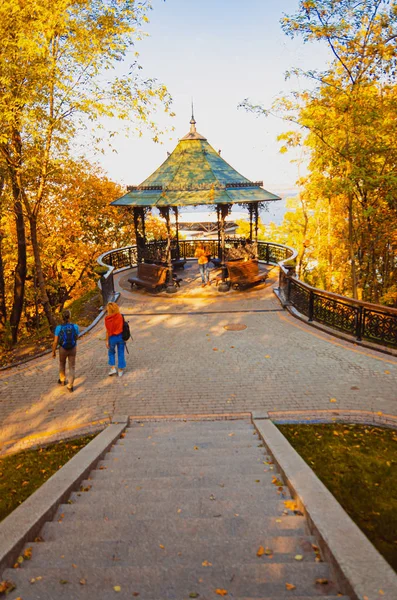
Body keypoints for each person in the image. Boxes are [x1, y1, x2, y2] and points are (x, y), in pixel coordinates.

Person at [52, 309, 79, 393]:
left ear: (62, 317)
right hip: (72, 348)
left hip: (62, 348)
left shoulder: (59, 328)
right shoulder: (75, 326)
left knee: (62, 363)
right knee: (72, 366)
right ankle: (70, 385)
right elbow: (76, 337)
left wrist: (53, 351)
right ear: (70, 316)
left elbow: (55, 341)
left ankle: (62, 380)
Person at [105, 302, 126, 377]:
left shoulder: (107, 319)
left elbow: (107, 331)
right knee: (121, 352)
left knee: (111, 352)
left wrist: (107, 341)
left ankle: (113, 368)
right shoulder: (120, 316)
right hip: (120, 336)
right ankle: (120, 370)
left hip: (112, 338)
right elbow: (123, 327)